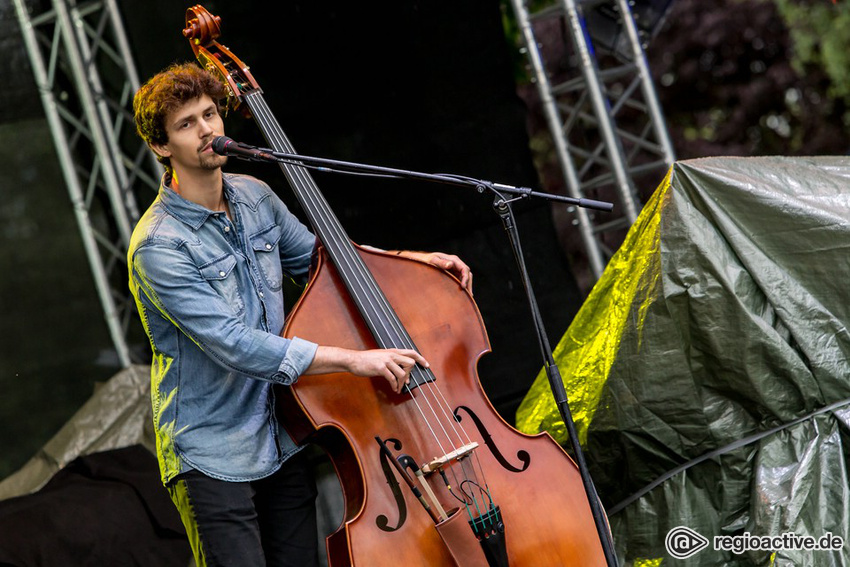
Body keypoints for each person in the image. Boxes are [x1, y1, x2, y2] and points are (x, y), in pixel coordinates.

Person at [128, 62, 472, 567]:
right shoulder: (158, 247)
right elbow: (234, 343)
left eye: (210, 115)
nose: (207, 130)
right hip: (211, 454)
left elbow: (324, 258)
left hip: (279, 432)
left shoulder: (255, 196)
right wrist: (354, 360)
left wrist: (412, 260)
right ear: (162, 146)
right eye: (186, 124)